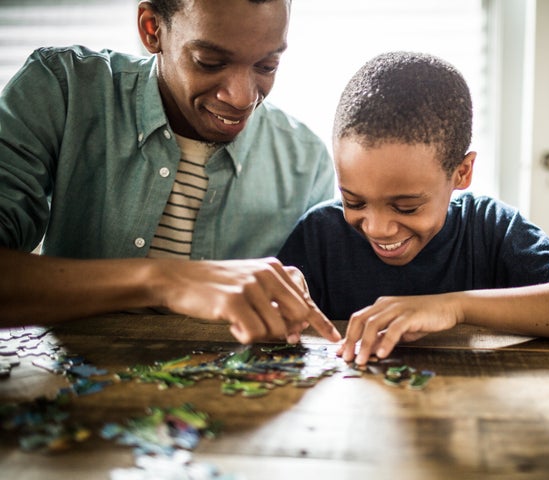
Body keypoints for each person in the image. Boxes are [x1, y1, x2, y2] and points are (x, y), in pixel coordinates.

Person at [0, 0, 341, 345]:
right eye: (209, 62)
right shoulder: (63, 90)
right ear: (152, 30)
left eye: (267, 66)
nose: (241, 98)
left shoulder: (306, 162)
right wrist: (164, 281)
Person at [277, 51, 549, 365]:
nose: (377, 227)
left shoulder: (491, 228)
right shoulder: (320, 233)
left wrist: (454, 307)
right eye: (354, 201)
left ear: (461, 173)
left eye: (406, 207)